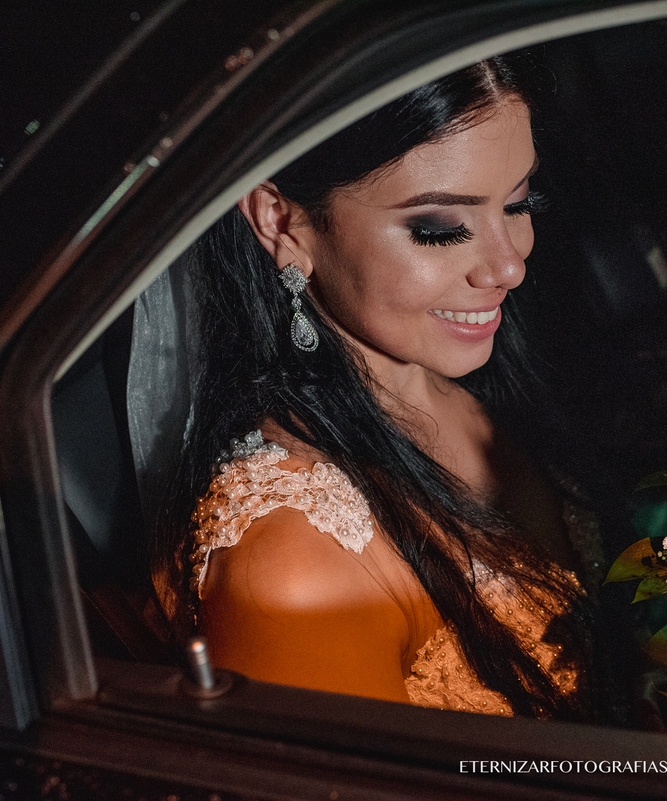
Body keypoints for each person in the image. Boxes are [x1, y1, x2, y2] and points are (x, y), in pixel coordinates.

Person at [145, 57, 598, 720]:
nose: (508, 266)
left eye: (518, 203)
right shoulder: (295, 558)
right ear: (280, 221)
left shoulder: (485, 380)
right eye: (439, 229)